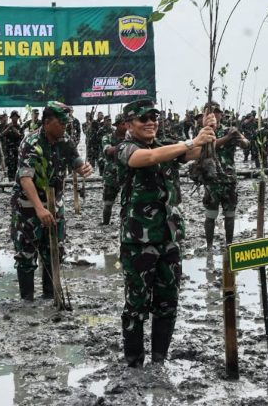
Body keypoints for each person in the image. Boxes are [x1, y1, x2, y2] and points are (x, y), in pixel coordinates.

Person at [116, 98, 216, 367]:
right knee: (136, 306)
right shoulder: (125, 148)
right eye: (143, 119)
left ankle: (160, 359)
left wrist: (209, 134)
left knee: (168, 303)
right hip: (138, 241)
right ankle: (134, 363)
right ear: (129, 124)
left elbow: (196, 154)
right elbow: (145, 159)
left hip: (169, 238)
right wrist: (190, 142)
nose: (150, 122)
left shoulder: (166, 146)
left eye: (153, 118)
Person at [10, 101, 93, 301]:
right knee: (27, 253)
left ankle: (50, 295)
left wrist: (83, 168)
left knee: (54, 250)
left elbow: (75, 160)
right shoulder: (30, 143)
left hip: (55, 203)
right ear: (47, 122)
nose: (65, 126)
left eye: (67, 122)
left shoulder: (65, 140)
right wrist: (39, 209)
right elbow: (25, 178)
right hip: (28, 205)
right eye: (61, 122)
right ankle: (27, 300)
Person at [202, 101, 249, 249]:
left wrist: (240, 137)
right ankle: (209, 246)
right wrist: (228, 138)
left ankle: (229, 245)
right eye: (210, 112)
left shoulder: (229, 130)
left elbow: (246, 144)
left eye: (217, 112)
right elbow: (211, 145)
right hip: (212, 180)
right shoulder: (203, 132)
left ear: (221, 115)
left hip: (229, 179)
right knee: (210, 216)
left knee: (230, 215)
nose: (214, 115)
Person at [101, 113, 127, 225]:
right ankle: (105, 224)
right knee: (108, 203)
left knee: (128, 202)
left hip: (127, 173)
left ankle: (126, 224)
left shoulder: (131, 137)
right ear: (117, 125)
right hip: (111, 174)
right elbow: (108, 150)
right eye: (123, 124)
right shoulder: (107, 137)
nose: (126, 126)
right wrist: (125, 147)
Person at [2, 110, 24, 180]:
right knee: (10, 165)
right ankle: (10, 180)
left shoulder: (20, 127)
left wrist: (14, 129)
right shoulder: (7, 126)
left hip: (17, 149)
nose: (15, 118)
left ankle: (17, 179)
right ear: (11, 118)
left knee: (17, 165)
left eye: (16, 117)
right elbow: (2, 135)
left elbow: (22, 136)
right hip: (9, 149)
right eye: (13, 117)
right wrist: (9, 128)